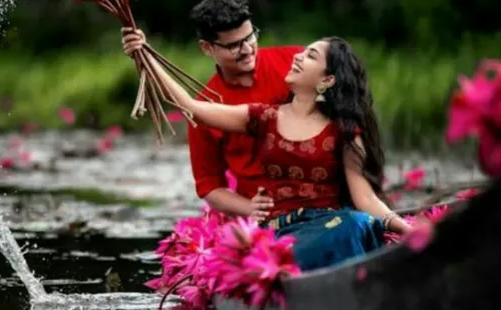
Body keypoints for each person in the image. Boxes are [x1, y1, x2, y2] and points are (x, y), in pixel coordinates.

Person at [121, 31, 411, 272]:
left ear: (327, 80)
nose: (297, 56)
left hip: (330, 228)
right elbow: (192, 107)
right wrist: (144, 55)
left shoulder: (345, 132)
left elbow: (365, 199)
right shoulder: (264, 117)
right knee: (267, 255)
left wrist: (408, 230)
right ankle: (281, 271)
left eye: (310, 56)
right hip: (277, 234)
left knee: (355, 223)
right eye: (303, 52)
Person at [123, 0, 304, 220]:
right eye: (234, 46)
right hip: (265, 215)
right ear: (207, 48)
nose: (247, 50)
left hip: (318, 197)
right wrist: (254, 210)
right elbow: (209, 186)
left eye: (250, 37)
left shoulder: (297, 62)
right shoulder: (205, 107)